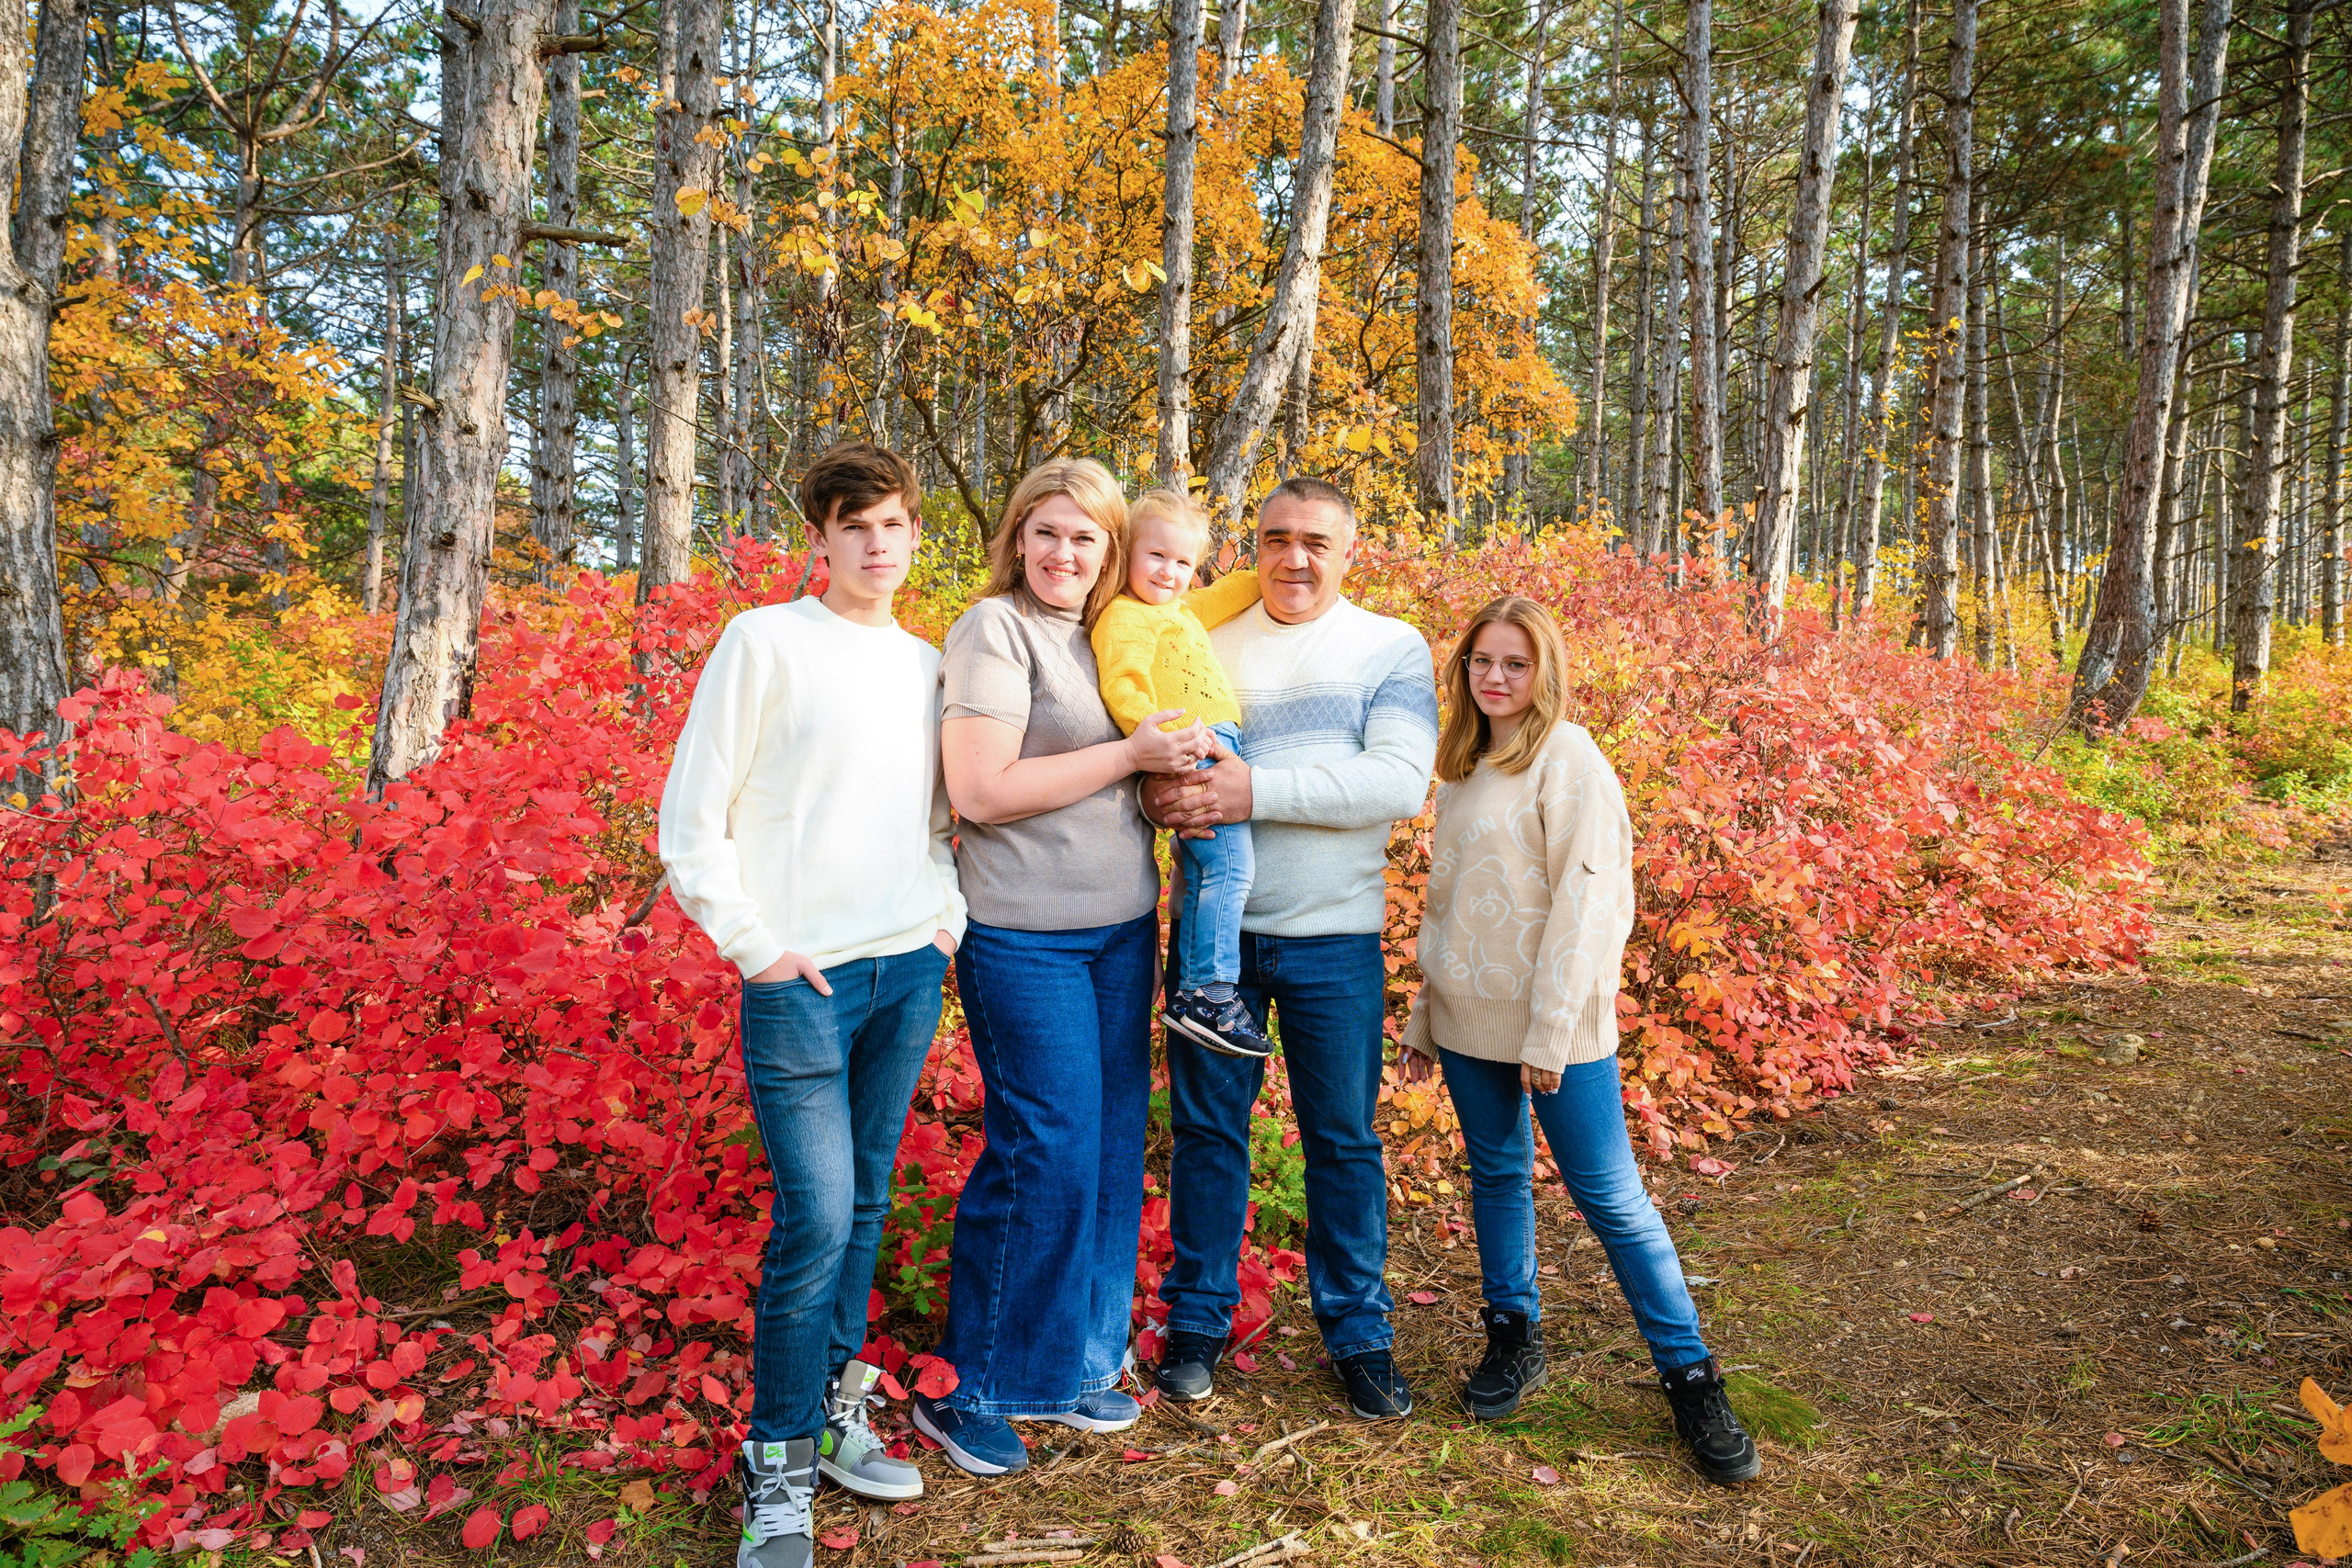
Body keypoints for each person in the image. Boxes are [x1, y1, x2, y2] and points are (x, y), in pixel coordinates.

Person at [657, 442, 967, 1568]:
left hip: (906, 968)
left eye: (894, 525)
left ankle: (839, 1413)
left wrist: (945, 922)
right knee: (818, 1219)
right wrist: (757, 949)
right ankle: (777, 1471)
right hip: (802, 982)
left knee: (870, 1204)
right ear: (820, 539)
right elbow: (693, 818)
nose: (877, 545)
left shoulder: (927, 664)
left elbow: (939, 822)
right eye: (855, 527)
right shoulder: (765, 641)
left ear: (915, 535)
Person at [1400, 593, 1760, 1483]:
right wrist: (1422, 1018)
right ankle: (1513, 1338)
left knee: (1610, 1199)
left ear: (1543, 671)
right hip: (1470, 1020)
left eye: (1514, 664)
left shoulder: (1570, 759)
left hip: (1556, 1028)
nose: (1494, 677)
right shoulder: (1463, 763)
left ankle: (1690, 1376)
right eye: (1481, 661)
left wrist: (1551, 1033)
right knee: (1495, 1176)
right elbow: (1446, 904)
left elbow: (1591, 906)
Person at [910, 459, 1210, 1476]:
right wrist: (1132, 760)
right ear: (1017, 538)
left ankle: (1078, 1360)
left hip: (1124, 926)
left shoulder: (1115, 630)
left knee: (1113, 1147)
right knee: (1046, 1148)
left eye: (1085, 537)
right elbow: (982, 790)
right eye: (1046, 533)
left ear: (1112, 548)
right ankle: (974, 1384)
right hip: (1023, 934)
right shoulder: (993, 629)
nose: (1064, 554)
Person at [1144, 477, 1439, 1420]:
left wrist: (1249, 791)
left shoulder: (1388, 647)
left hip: (1333, 941)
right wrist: (1161, 797)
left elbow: (1394, 781)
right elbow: (1155, 764)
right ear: (1254, 544)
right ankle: (1197, 1323)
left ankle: (1358, 1331)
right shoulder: (1198, 639)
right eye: (1276, 538)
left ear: (1352, 550)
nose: (1294, 558)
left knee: (1342, 1143)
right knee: (1203, 1136)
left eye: (1316, 541)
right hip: (1209, 947)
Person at [1090, 490, 1267, 1056]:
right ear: (1125, 554)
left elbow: (1229, 591)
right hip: (1190, 747)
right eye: (1156, 556)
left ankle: (1196, 990)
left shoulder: (1180, 610)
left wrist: (1273, 564)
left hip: (1214, 742)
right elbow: (1123, 684)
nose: (1170, 572)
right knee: (1230, 870)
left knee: (1208, 870)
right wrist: (1160, 742)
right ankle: (1206, 992)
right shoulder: (1125, 616)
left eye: (1183, 562)